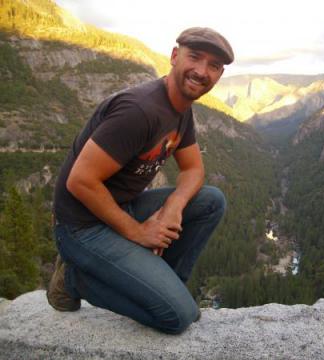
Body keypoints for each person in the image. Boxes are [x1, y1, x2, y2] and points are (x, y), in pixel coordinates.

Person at [47, 27, 234, 334]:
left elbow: (193, 171)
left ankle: (157, 287)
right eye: (195, 57)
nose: (202, 71)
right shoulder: (140, 111)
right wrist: (136, 232)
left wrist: (174, 205)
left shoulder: (180, 110)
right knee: (178, 316)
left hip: (120, 207)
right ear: (175, 57)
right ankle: (72, 279)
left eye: (214, 66)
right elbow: (79, 181)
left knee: (211, 202)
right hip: (81, 227)